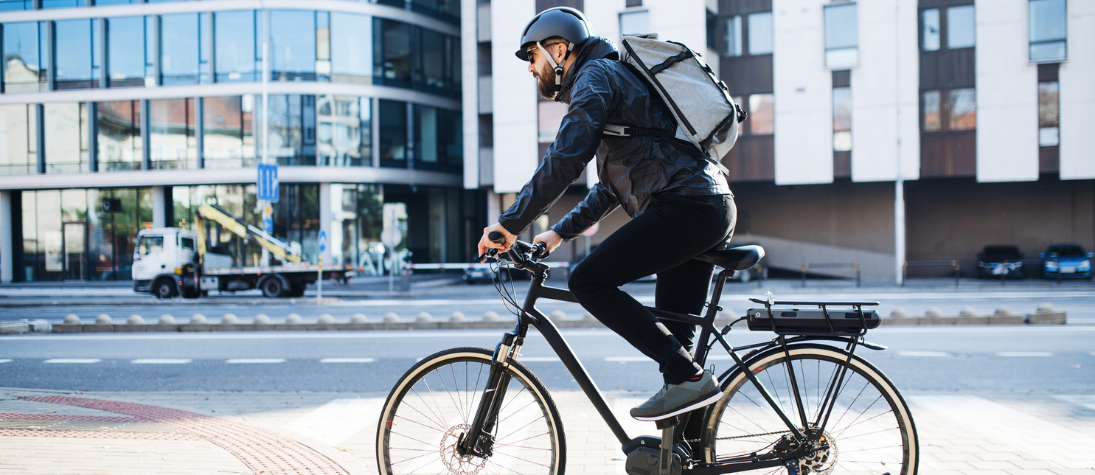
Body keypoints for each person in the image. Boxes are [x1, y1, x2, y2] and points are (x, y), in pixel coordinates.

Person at [476, 7, 737, 421]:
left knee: (587, 281)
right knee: (677, 350)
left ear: (559, 50)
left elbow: (565, 158)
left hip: (686, 206)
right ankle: (684, 453)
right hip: (704, 204)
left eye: (533, 56)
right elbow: (612, 186)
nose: (530, 68)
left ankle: (687, 380)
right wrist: (557, 234)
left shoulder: (596, 78)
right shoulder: (615, 80)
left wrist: (509, 224)